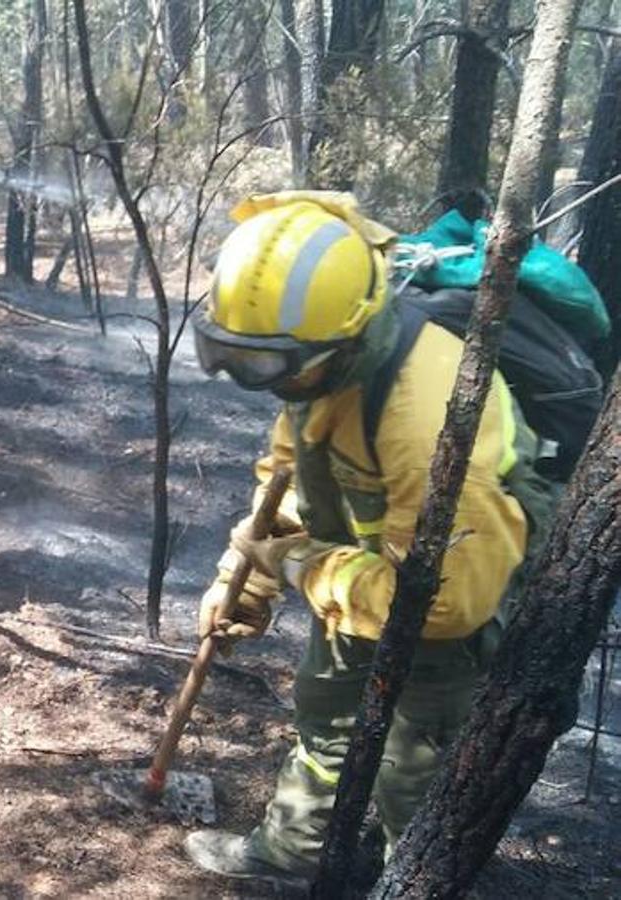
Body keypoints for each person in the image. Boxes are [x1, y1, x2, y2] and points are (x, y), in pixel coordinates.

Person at [182, 192, 553, 884]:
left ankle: (409, 881)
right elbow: (286, 479)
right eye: (236, 358)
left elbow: (448, 606)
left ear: (345, 336)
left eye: (267, 365)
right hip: (359, 575)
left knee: (415, 769)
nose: (258, 382)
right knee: (325, 707)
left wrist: (296, 567)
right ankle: (294, 855)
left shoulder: (429, 416)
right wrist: (246, 578)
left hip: (452, 605)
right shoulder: (317, 372)